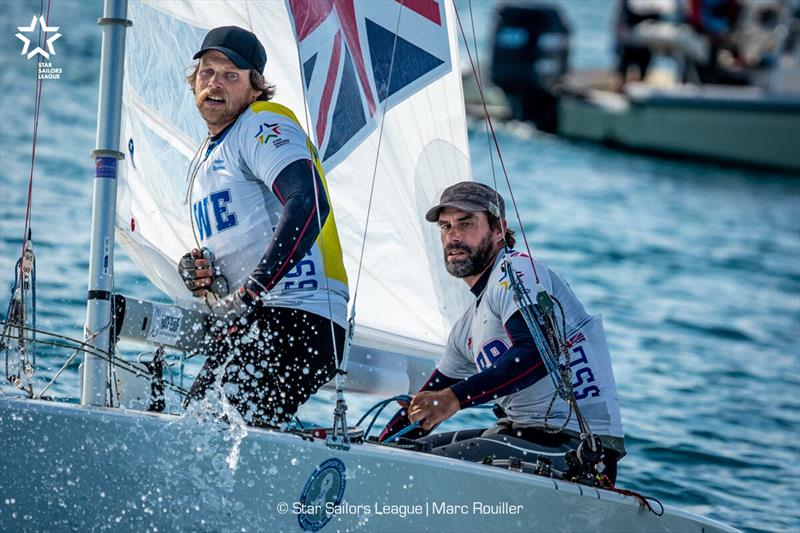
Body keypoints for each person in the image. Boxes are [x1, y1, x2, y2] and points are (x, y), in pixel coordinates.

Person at [379, 182, 626, 483]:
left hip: (579, 449)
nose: (453, 236)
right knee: (398, 453)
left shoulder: (517, 271)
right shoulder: (466, 328)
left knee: (405, 470)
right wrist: (373, 448)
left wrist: (453, 399)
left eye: (466, 223)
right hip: (523, 436)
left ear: (499, 230)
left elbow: (537, 353)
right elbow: (425, 405)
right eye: (445, 226)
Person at [178, 26, 349, 427]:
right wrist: (198, 269)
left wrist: (252, 290)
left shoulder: (261, 121)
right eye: (207, 72)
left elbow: (309, 203)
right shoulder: (212, 151)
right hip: (259, 317)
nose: (215, 84)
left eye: (230, 75)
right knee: (194, 425)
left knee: (207, 431)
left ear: (255, 88)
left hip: (299, 317)